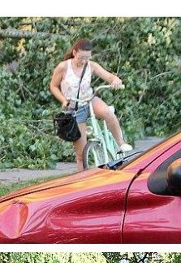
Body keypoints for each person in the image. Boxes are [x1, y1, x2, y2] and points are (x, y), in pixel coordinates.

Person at [49, 39, 132, 171]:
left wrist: (115, 80)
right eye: (81, 57)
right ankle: (82, 179)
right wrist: (63, 100)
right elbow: (53, 86)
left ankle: (120, 142)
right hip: (76, 107)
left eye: (87, 58)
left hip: (90, 100)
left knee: (107, 112)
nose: (84, 61)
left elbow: (109, 77)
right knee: (81, 153)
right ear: (75, 52)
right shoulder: (64, 67)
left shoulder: (91, 65)